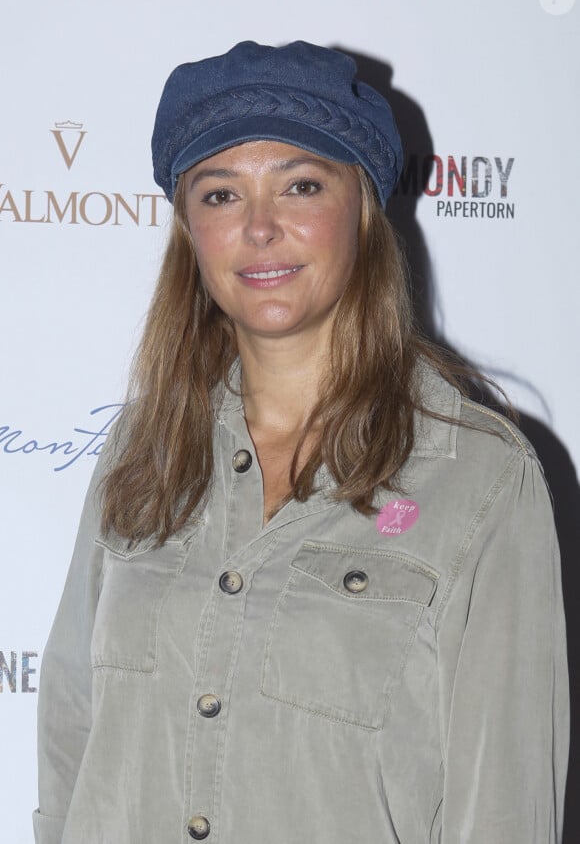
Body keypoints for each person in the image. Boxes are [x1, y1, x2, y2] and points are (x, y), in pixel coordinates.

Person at [33, 41, 569, 844]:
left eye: (301, 185)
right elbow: (71, 736)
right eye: (220, 195)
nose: (259, 227)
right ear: (190, 233)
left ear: (361, 210)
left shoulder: (481, 480)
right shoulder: (141, 451)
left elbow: (505, 811)